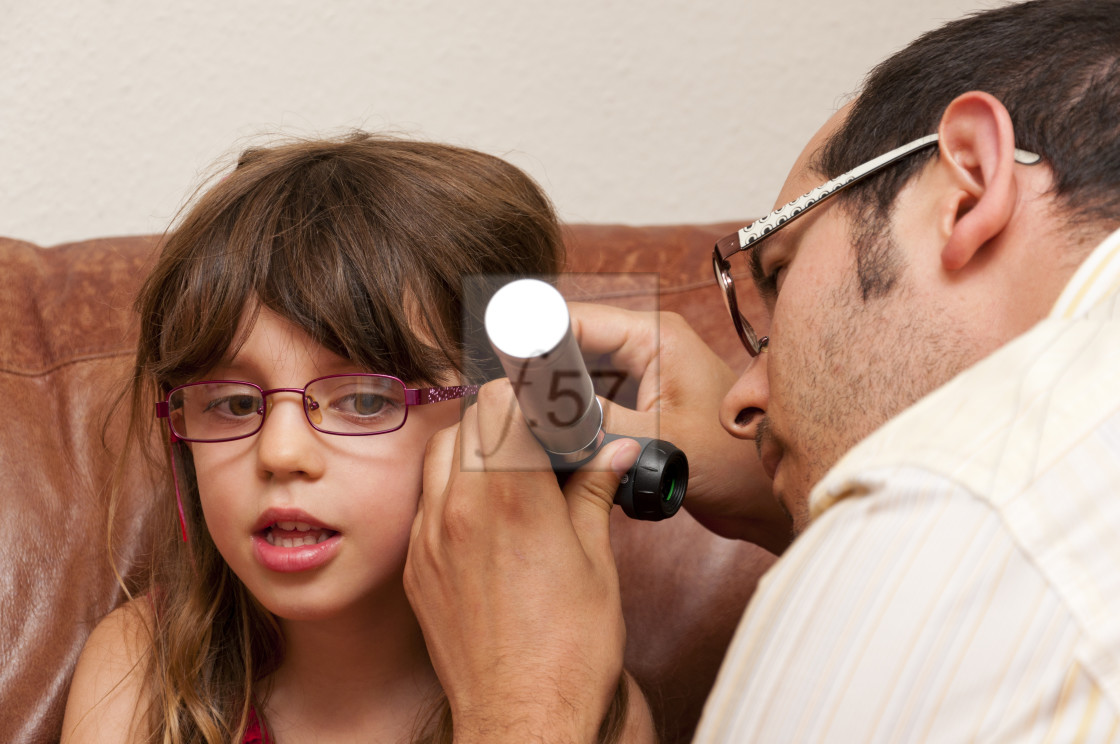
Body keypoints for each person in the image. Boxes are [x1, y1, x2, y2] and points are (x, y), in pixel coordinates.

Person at [403, 0, 1120, 741]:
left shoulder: (944, 514)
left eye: (779, 270)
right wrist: (793, 502)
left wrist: (529, 698)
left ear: (968, 182)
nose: (740, 403)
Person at [59, 133, 652, 743]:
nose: (281, 453)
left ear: (495, 421)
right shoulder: (139, 674)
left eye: (365, 400)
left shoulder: (589, 708)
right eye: (234, 405)